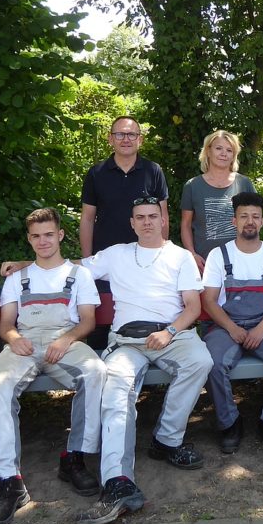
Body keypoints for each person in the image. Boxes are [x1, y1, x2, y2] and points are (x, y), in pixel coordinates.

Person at [75, 196, 212, 524]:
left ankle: (167, 440)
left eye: (153, 216)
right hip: (126, 341)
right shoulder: (116, 254)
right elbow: (70, 269)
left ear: (163, 220)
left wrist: (169, 331)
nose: (148, 222)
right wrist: (26, 266)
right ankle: (117, 480)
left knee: (201, 361)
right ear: (132, 223)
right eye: (141, 217)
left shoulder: (180, 257)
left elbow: (192, 308)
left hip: (171, 335)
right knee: (116, 383)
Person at [0, 208, 107, 524]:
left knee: (95, 371)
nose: (43, 241)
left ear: (61, 235)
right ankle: (8, 481)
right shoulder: (16, 278)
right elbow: (6, 323)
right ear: (29, 239)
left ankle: (75, 457)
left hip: (64, 340)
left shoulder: (79, 275)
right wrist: (12, 338)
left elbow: (89, 321)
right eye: (36, 236)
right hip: (24, 342)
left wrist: (66, 339)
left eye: (49, 234)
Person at [201, 192, 263, 454]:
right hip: (225, 325)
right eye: (244, 216)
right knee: (211, 361)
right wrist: (232, 328)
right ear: (234, 221)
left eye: (255, 216)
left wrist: (260, 329)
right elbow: (210, 301)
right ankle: (229, 423)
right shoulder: (218, 255)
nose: (250, 221)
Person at [80, 116, 169, 349]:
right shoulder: (96, 173)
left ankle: (153, 369)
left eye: (131, 134)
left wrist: (163, 253)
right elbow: (88, 218)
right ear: (111, 138)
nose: (126, 139)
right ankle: (99, 374)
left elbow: (163, 216)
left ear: (140, 139)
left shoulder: (153, 170)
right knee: (101, 322)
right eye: (120, 134)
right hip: (105, 260)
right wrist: (88, 259)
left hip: (146, 259)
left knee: (147, 313)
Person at [180, 130, 256, 271]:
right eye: (218, 148)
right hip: (204, 263)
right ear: (208, 151)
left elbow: (255, 221)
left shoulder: (244, 183)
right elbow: (185, 224)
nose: (223, 153)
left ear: (234, 155)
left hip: (241, 261)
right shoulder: (192, 186)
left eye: (229, 150)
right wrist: (192, 254)